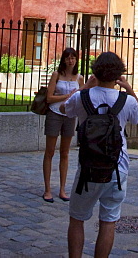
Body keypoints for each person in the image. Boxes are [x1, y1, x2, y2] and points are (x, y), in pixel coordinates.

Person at [62, 52, 138, 258]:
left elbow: (65, 108)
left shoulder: (83, 97)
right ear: (119, 75)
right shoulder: (126, 100)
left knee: (77, 218)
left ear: (94, 72)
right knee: (108, 221)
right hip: (118, 167)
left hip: (88, 168)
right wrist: (129, 88)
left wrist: (86, 87)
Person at [42, 48, 84, 203]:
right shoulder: (56, 75)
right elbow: (49, 98)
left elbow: (82, 95)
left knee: (65, 152)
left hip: (69, 115)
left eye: (73, 58)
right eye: (68, 58)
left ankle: (62, 189)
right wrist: (68, 96)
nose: (70, 61)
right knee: (50, 151)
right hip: (54, 114)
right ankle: (47, 189)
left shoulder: (79, 78)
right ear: (63, 60)